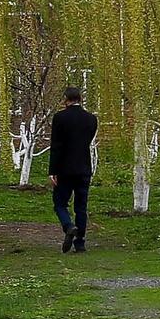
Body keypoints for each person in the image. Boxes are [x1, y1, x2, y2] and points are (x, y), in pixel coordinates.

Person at [47, 86, 97, 253]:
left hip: (64, 169)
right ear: (80, 99)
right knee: (81, 206)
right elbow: (87, 141)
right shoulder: (91, 119)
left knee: (60, 203)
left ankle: (68, 226)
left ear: (65, 99)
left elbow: (56, 146)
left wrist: (52, 171)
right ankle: (80, 242)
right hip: (84, 167)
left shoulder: (60, 118)